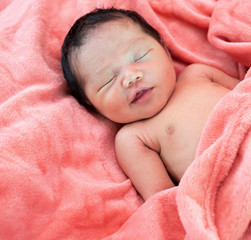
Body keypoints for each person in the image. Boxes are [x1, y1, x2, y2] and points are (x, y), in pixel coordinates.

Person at [61, 8, 239, 201]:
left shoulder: (198, 74)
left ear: (165, 50)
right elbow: (163, 200)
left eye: (140, 56)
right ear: (92, 106)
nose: (131, 77)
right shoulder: (134, 138)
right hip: (235, 187)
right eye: (107, 80)